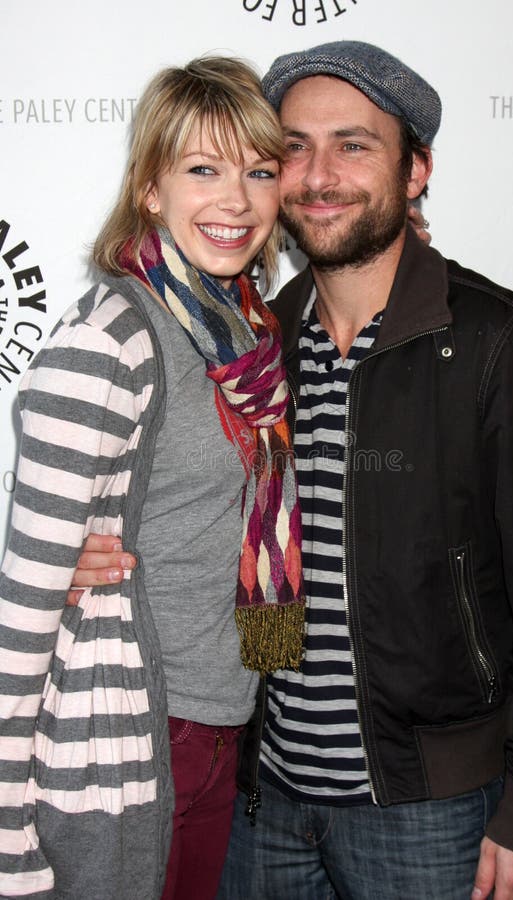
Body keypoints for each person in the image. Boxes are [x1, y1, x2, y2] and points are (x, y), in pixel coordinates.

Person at [70, 41, 513, 900]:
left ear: (416, 168)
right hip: (260, 800)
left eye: (353, 145)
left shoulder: (502, 344)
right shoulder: (251, 345)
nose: (318, 175)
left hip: (431, 811)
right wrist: (87, 561)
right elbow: (192, 523)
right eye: (293, 150)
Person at [0, 56, 305, 900]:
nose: (235, 199)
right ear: (151, 190)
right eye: (202, 169)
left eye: (258, 170)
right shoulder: (110, 338)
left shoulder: (247, 336)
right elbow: (24, 604)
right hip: (128, 733)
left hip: (222, 724)